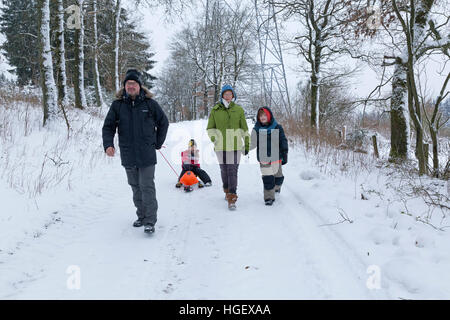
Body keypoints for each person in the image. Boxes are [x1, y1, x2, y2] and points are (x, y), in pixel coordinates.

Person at [102, 69, 169, 234]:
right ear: (124, 86)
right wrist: (108, 145)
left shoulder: (150, 104)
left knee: (147, 186)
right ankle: (142, 215)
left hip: (146, 153)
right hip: (128, 153)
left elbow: (164, 123)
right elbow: (108, 127)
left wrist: (157, 143)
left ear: (139, 85)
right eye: (128, 84)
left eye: (133, 83)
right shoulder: (117, 105)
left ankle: (150, 221)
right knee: (135, 187)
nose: (130, 86)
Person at [206, 84, 250, 210]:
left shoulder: (238, 110)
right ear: (222, 96)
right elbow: (210, 128)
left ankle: (232, 197)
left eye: (230, 94)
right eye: (225, 94)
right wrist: (215, 138)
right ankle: (226, 190)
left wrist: (246, 143)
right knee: (224, 171)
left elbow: (244, 129)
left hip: (235, 146)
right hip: (220, 147)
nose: (228, 96)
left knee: (232, 171)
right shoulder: (215, 110)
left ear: (233, 95)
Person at [250, 106, 288, 206]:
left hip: (276, 156)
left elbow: (283, 140)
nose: (262, 117)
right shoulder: (256, 129)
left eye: (264, 115)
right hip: (264, 158)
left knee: (278, 177)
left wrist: (285, 153)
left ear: (269, 115)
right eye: (260, 115)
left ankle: (277, 186)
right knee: (267, 178)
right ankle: (269, 197)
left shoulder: (277, 127)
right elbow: (252, 143)